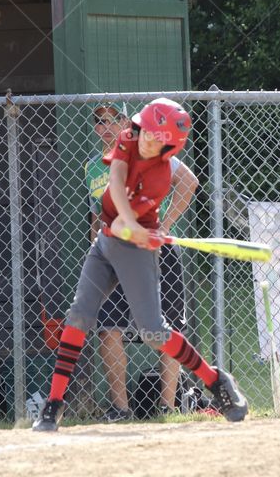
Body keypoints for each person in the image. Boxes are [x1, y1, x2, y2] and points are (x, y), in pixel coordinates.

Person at [34, 98, 248, 431]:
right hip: (106, 240)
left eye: (155, 136)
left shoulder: (161, 176)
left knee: (153, 331)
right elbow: (116, 183)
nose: (146, 138)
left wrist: (144, 231)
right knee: (78, 317)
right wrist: (127, 223)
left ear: (169, 145)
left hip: (134, 248)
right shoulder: (128, 138)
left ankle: (216, 380)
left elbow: (129, 226)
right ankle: (54, 404)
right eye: (146, 130)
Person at [85, 103, 199, 421]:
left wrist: (165, 227)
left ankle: (167, 407)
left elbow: (189, 182)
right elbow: (98, 215)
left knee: (166, 327)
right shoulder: (92, 168)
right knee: (108, 327)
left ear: (127, 123)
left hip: (152, 250)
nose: (106, 126)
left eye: (113, 120)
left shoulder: (149, 152)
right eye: (99, 121)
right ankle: (121, 409)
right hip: (114, 252)